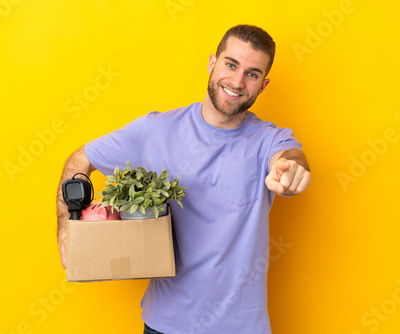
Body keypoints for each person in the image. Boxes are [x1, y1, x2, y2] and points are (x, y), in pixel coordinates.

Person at [57, 24, 311, 334]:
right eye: (230, 64)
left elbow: (288, 157)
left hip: (242, 327)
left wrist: (291, 169)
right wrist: (65, 227)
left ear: (263, 85)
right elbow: (79, 161)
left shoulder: (267, 140)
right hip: (165, 325)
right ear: (211, 63)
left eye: (252, 74)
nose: (237, 81)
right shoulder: (155, 130)